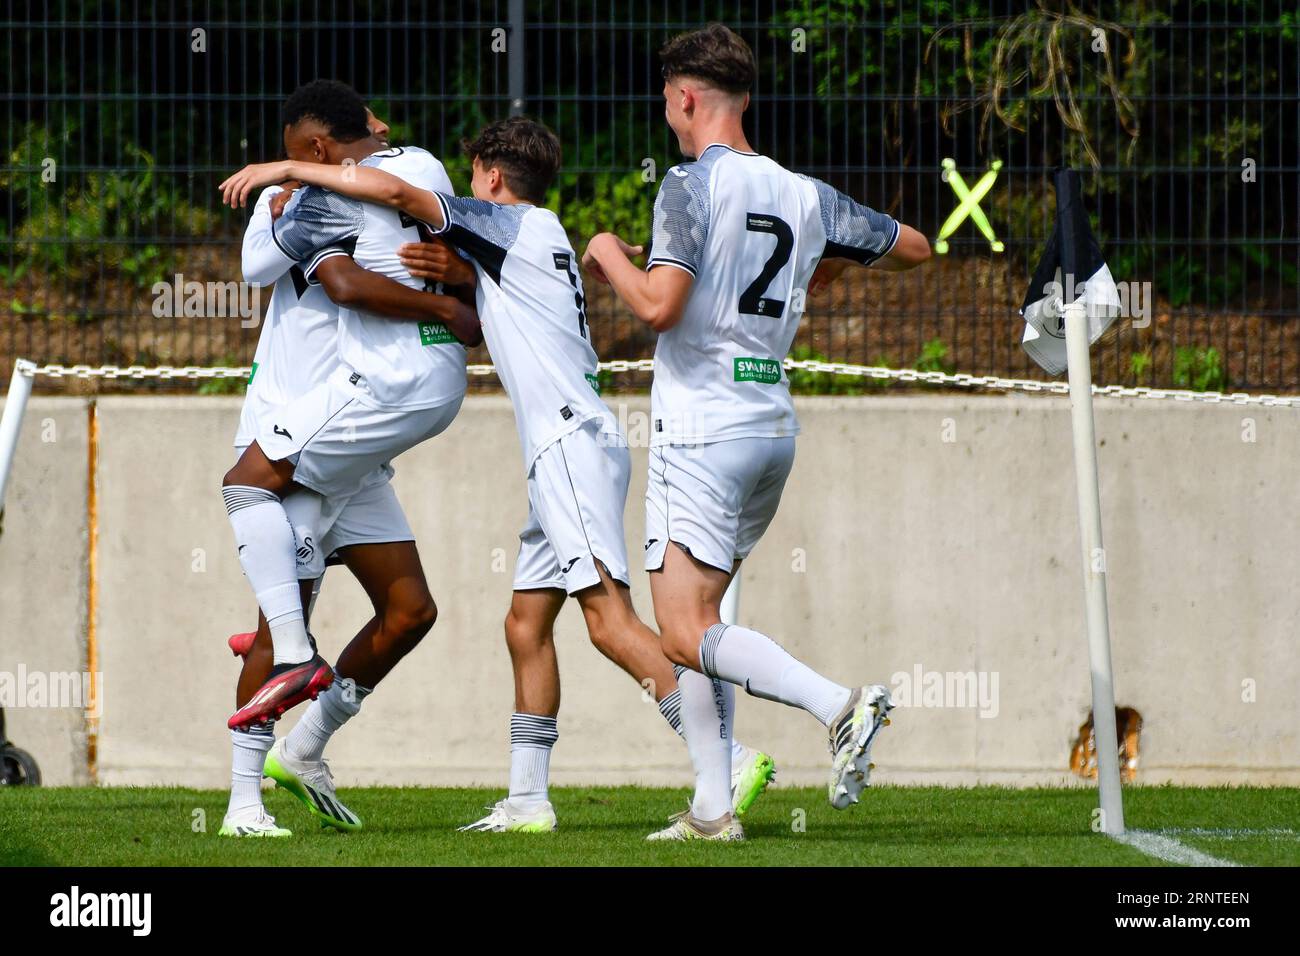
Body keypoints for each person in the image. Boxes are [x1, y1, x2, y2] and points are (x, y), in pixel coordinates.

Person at [220, 115, 777, 834]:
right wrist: (460, 281)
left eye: (472, 173)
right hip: (564, 452)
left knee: (609, 624)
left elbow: (393, 193)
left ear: (487, 175)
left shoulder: (508, 228)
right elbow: (477, 290)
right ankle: (526, 799)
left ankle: (724, 757)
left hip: (569, 450)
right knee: (524, 625)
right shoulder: (524, 241)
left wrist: (286, 172)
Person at [582, 24, 932, 841]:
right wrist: (815, 263)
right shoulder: (805, 193)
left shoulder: (688, 185)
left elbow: (659, 307)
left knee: (682, 629)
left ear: (689, 98)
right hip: (770, 424)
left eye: (669, 97)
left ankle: (838, 706)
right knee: (707, 626)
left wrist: (605, 250)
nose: (667, 110)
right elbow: (912, 246)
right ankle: (712, 808)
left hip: (701, 427)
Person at [217, 80, 479, 837]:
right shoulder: (306, 201)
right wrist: (296, 180)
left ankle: (305, 748)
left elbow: (409, 208)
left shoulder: (364, 184)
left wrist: (454, 274)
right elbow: (273, 268)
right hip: (292, 422)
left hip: (351, 423)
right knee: (280, 625)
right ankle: (242, 803)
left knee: (409, 611)